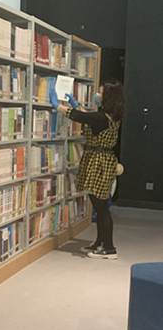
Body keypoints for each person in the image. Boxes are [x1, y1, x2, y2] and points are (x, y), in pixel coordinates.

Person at [50, 82, 125, 259]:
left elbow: (82, 117)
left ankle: (109, 248)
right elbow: (89, 117)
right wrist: (76, 105)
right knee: (99, 204)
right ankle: (100, 242)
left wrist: (58, 106)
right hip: (100, 159)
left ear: (107, 97)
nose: (98, 95)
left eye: (101, 93)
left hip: (99, 161)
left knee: (101, 206)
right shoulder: (109, 116)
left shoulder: (102, 117)